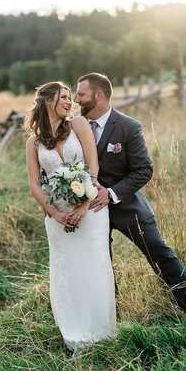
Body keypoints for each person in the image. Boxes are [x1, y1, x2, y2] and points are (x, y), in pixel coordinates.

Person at [75, 73, 186, 318]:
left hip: (127, 207)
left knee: (160, 254)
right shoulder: (74, 128)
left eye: (81, 94)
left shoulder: (128, 126)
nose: (77, 100)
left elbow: (145, 170)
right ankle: (110, 321)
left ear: (99, 95)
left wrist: (111, 193)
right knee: (100, 267)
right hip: (90, 211)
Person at [25, 81, 116, 353]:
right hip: (58, 217)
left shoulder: (79, 125)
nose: (70, 101)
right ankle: (75, 334)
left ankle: (101, 333)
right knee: (67, 271)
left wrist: (84, 205)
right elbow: (34, 184)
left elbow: (93, 165)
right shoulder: (34, 142)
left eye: (70, 97)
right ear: (47, 101)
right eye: (63, 97)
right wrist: (54, 213)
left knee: (93, 266)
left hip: (89, 212)